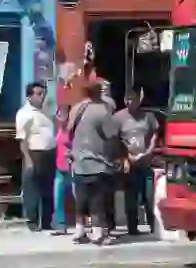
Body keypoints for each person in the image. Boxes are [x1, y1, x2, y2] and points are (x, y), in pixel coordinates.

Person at [69, 80, 121, 245]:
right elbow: (111, 137)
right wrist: (116, 157)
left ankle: (79, 231)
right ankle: (98, 233)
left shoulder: (77, 108)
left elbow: (68, 129)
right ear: (99, 92)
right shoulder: (102, 111)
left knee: (81, 198)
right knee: (97, 199)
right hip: (97, 162)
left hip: (78, 161)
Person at [114, 90, 158, 235]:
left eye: (132, 100)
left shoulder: (148, 116)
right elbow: (114, 140)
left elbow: (155, 134)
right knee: (131, 197)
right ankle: (132, 228)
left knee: (149, 196)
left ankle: (153, 227)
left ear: (138, 100)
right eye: (127, 100)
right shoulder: (119, 118)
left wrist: (150, 150)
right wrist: (124, 157)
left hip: (146, 162)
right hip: (130, 163)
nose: (129, 103)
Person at [16, 82, 56, 231]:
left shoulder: (46, 111)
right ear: (29, 96)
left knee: (48, 189)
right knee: (32, 189)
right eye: (38, 94)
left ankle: (46, 221)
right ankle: (32, 222)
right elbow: (22, 140)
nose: (42, 96)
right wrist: (28, 159)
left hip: (49, 153)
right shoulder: (24, 114)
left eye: (43, 93)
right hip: (34, 153)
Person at [51, 106, 75, 235]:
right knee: (58, 197)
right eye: (59, 114)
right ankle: (61, 225)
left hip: (71, 167)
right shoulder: (58, 129)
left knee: (76, 197)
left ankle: (87, 222)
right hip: (59, 167)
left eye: (64, 114)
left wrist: (71, 152)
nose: (62, 117)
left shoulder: (72, 130)